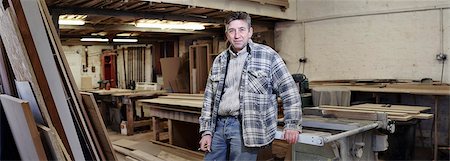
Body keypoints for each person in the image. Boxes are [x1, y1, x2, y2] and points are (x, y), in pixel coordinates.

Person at [198, 11, 302, 161]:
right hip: (219, 126)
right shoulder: (219, 61)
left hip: (245, 128)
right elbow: (209, 98)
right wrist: (206, 131)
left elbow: (289, 91)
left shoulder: (268, 56)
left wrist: (292, 124)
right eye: (231, 30)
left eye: (241, 29)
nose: (237, 35)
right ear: (227, 34)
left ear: (250, 32)